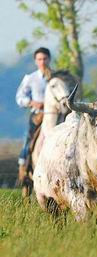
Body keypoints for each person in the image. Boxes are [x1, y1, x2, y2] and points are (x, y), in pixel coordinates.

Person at [16, 47, 52, 181]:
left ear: (49, 59)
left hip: (55, 115)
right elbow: (19, 97)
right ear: (36, 61)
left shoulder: (56, 77)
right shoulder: (30, 78)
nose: (42, 62)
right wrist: (31, 102)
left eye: (45, 59)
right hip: (38, 116)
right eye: (39, 59)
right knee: (28, 140)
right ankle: (24, 167)